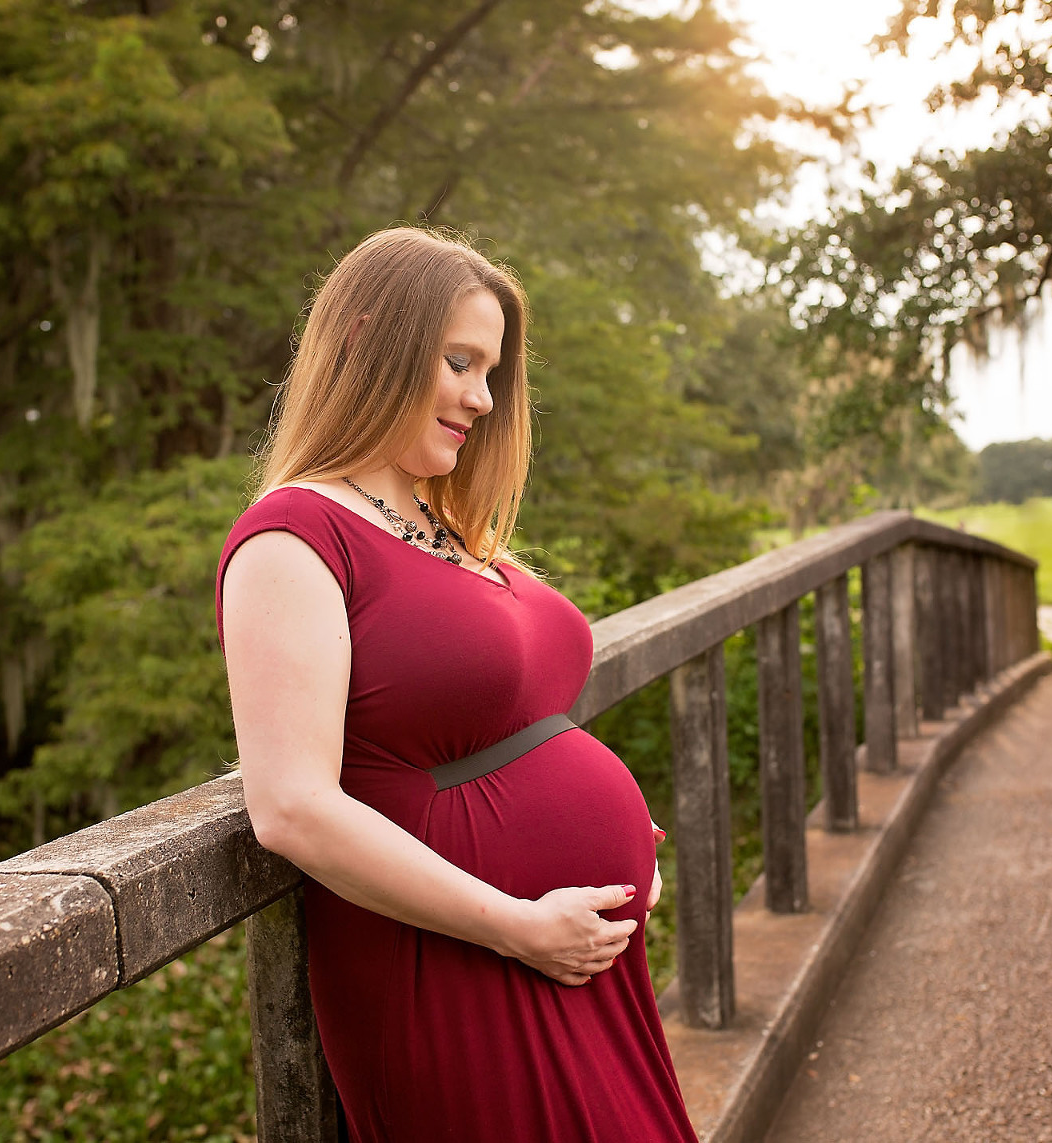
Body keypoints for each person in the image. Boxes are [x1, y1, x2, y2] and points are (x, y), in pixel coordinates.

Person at [214, 226, 695, 1142]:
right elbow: (292, 808)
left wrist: (626, 841)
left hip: (568, 956)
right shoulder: (293, 539)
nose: (480, 398)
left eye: (491, 372)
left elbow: (518, 721)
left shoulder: (446, 526)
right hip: (457, 964)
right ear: (365, 338)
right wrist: (517, 922)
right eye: (460, 362)